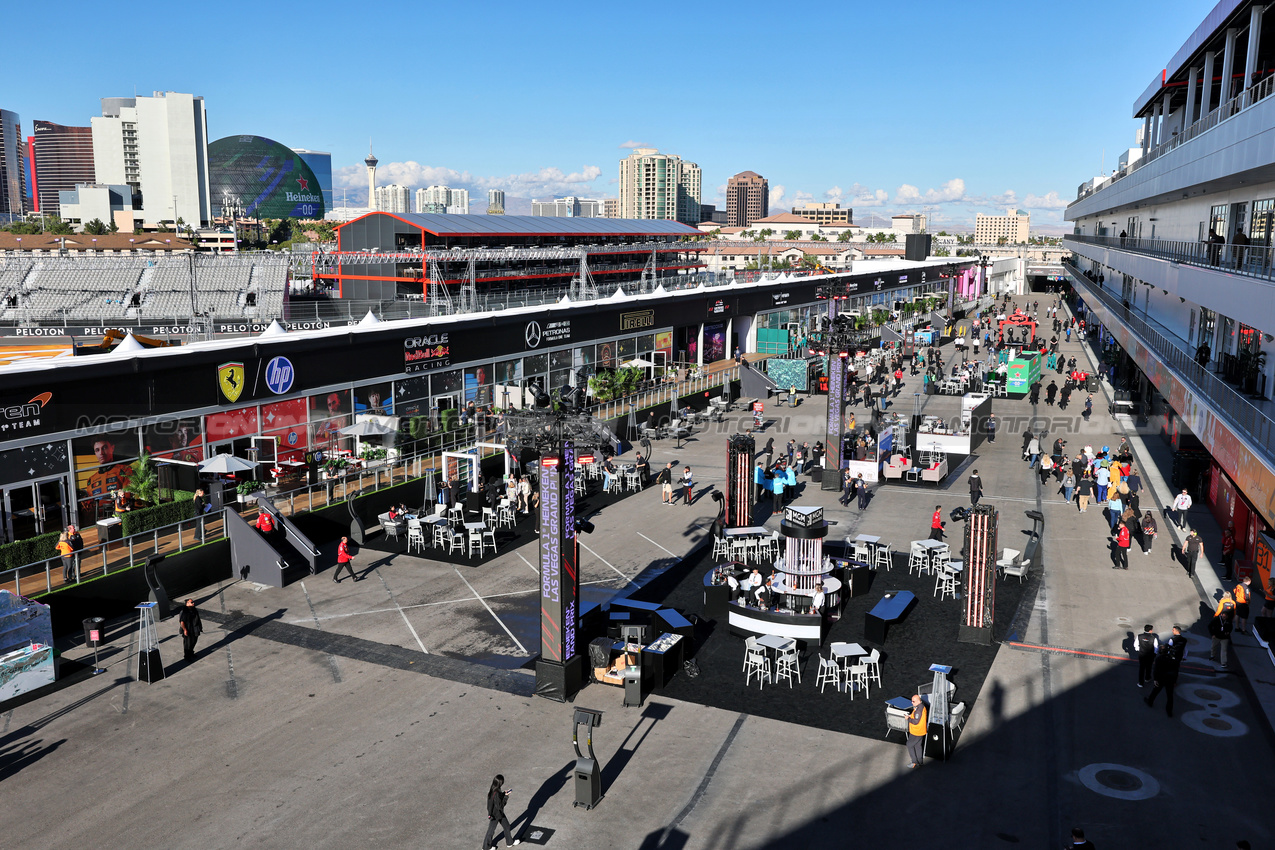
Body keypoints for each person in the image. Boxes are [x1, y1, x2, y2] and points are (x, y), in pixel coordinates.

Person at [1145, 625, 1185, 716]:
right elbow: (1176, 671)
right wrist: (1174, 681)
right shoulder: (1173, 659)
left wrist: (1155, 679)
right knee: (1170, 696)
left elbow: (1156, 670)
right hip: (1170, 679)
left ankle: (1150, 702)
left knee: (1155, 691)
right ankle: (1169, 711)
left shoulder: (1159, 659)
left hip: (1161, 678)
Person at [482, 775, 521, 849]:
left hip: (495, 813)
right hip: (497, 814)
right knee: (491, 831)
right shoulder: (496, 793)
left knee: (506, 826)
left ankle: (510, 843)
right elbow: (501, 805)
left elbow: (496, 800)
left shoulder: (493, 790)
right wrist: (506, 796)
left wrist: (503, 793)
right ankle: (486, 847)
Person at [906, 694, 927, 769]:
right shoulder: (921, 707)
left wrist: (908, 718)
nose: (912, 702)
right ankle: (920, 762)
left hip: (916, 732)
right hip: (921, 731)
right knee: (918, 746)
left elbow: (915, 721)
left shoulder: (918, 710)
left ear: (918, 701)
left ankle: (914, 761)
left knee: (909, 744)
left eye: (913, 701)